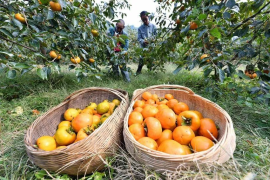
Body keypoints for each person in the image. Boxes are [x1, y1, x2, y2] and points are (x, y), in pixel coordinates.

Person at [136, 11, 157, 75]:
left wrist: (153, 40)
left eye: (145, 19)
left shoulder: (153, 26)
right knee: (141, 60)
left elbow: (157, 36)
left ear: (148, 17)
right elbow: (139, 38)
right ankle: (138, 73)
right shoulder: (140, 28)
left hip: (151, 47)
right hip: (143, 47)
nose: (144, 21)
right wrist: (143, 41)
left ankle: (151, 73)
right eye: (143, 19)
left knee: (151, 60)